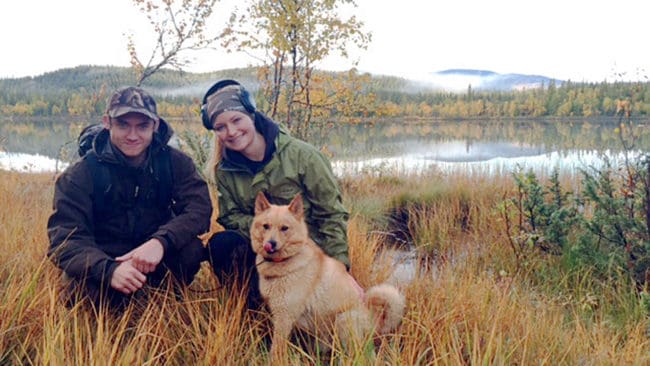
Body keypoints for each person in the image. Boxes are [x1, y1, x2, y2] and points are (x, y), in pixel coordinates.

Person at [47, 86, 212, 310]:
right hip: (106, 259)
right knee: (77, 286)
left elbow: (199, 209)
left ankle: (160, 301)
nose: (133, 136)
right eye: (123, 125)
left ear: (155, 125)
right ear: (108, 122)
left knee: (190, 250)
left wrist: (161, 242)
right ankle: (113, 303)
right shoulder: (81, 174)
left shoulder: (174, 162)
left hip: (154, 255)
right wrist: (108, 270)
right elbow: (64, 240)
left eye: (142, 126)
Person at [201, 79, 349, 308]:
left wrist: (340, 270)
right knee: (221, 244)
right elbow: (229, 217)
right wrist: (269, 229)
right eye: (220, 127)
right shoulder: (224, 171)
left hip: (308, 253)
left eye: (236, 120)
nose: (231, 132)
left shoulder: (304, 157)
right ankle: (254, 308)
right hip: (263, 251)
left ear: (251, 114)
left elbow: (331, 215)